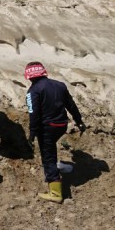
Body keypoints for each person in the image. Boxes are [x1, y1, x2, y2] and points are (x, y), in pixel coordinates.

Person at [25, 62, 87, 203]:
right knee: (51, 148)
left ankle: (55, 193)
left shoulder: (32, 92)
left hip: (47, 128)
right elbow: (71, 105)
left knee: (48, 157)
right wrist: (79, 121)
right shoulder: (60, 85)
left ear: (29, 77)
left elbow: (33, 114)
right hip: (61, 125)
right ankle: (59, 167)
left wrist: (32, 134)